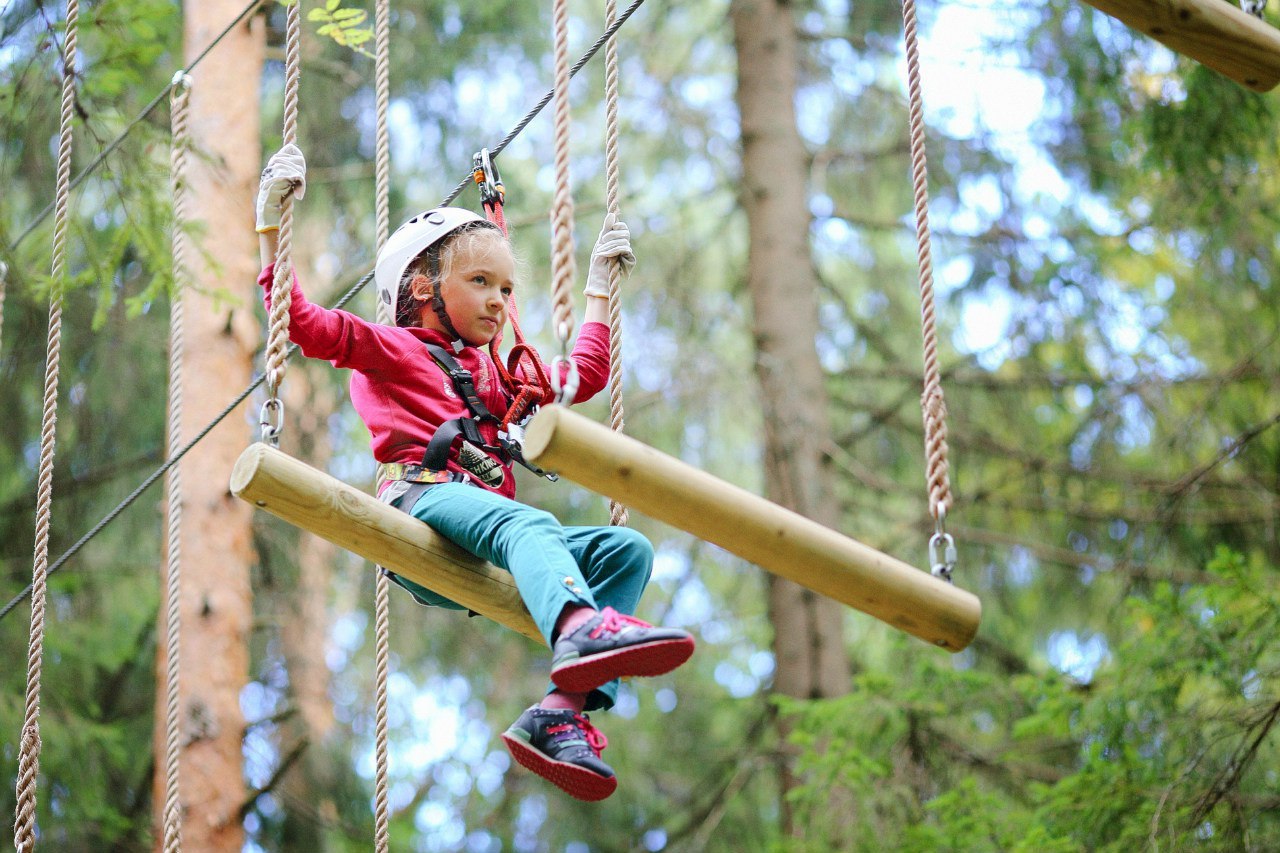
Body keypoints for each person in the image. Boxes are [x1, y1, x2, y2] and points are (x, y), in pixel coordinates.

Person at [254, 144, 694, 802]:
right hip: (422, 503)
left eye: (507, 288)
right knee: (531, 524)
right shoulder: (395, 347)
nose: (499, 301)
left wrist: (599, 286)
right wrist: (271, 226)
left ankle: (562, 708)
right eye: (481, 283)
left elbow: (583, 376)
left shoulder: (494, 373)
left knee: (626, 551)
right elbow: (308, 327)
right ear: (425, 288)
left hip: (487, 531)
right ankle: (579, 627)